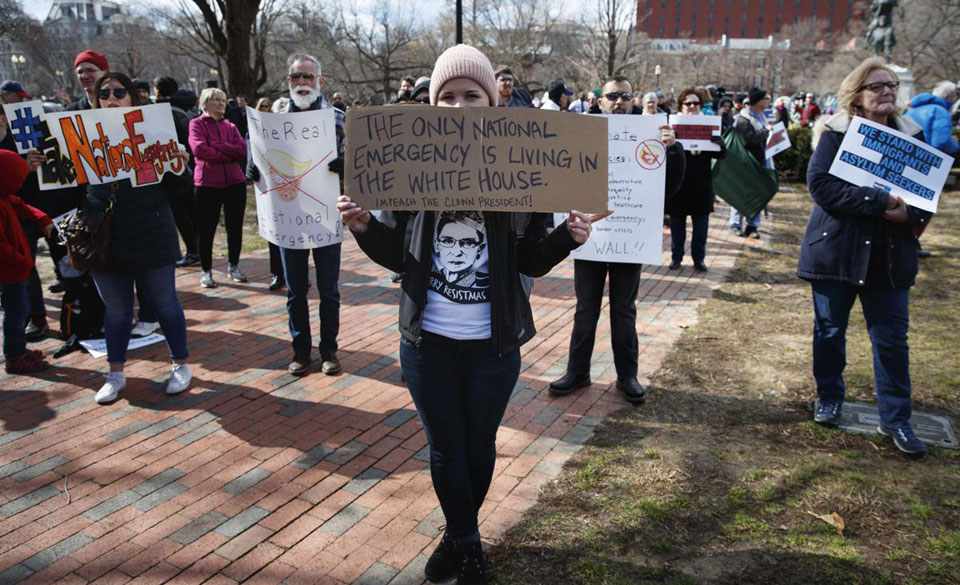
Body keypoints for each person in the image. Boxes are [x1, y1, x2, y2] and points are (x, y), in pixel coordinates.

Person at [339, 44, 603, 585]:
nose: (460, 107)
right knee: (445, 446)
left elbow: (530, 258)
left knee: (478, 446)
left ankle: (456, 534)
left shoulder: (521, 169)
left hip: (494, 343)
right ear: (434, 105)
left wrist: (567, 238)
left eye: (472, 95)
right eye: (448, 97)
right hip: (426, 342)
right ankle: (468, 542)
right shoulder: (410, 165)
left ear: (493, 100)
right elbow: (400, 256)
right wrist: (365, 228)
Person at [801, 57, 930, 456]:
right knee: (829, 332)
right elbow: (822, 186)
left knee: (891, 342)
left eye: (891, 84)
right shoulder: (836, 134)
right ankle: (829, 397)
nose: (887, 90)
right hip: (837, 252)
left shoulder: (913, 137)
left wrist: (909, 213)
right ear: (856, 95)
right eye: (877, 86)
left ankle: (897, 419)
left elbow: (927, 195)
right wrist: (878, 201)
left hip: (890, 258)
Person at [549, 75, 685, 404]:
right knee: (586, 309)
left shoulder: (651, 135)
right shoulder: (582, 133)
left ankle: (627, 377)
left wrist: (674, 149)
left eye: (625, 95)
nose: (619, 101)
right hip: (591, 237)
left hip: (629, 236)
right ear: (600, 101)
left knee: (624, 310)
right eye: (613, 96)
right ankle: (577, 372)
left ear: (634, 99)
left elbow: (670, 188)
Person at [85, 72, 191, 403]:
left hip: (151, 231)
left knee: (165, 304)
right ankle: (115, 375)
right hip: (106, 238)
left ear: (133, 97)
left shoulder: (153, 132)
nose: (111, 99)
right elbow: (68, 190)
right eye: (104, 94)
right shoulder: (82, 136)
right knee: (116, 311)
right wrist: (42, 168)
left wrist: (181, 166)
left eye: (119, 92)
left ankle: (181, 366)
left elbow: (179, 190)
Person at [248, 53, 345, 377]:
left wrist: (346, 166)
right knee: (295, 291)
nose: (302, 83)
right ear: (288, 81)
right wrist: (252, 168)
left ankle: (329, 350)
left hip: (326, 218)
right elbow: (262, 160)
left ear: (320, 81)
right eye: (296, 77)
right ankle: (301, 351)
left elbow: (359, 163)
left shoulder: (338, 120)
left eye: (308, 77)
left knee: (329, 290)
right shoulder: (271, 122)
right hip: (289, 218)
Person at [188, 87, 248, 288]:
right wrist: (226, 152)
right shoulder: (196, 124)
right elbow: (199, 150)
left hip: (235, 183)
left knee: (235, 227)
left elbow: (241, 150)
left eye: (223, 100)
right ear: (205, 103)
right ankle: (206, 271)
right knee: (206, 230)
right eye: (216, 100)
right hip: (207, 185)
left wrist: (216, 147)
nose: (221, 104)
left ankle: (234, 265)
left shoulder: (230, 127)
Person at [1, 150, 52, 373]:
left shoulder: (5, 196)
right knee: (15, 313)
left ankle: (18, 349)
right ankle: (14, 357)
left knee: (19, 310)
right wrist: (23, 261)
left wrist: (42, 218)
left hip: (17, 269)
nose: (20, 185)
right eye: (17, 180)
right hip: (10, 270)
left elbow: (20, 204)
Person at [667, 88, 726, 271]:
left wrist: (720, 145)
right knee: (677, 226)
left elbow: (722, 155)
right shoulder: (672, 126)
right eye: (688, 103)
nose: (692, 106)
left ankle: (698, 259)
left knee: (701, 227)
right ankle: (676, 258)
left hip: (701, 184)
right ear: (681, 106)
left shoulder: (708, 124)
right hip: (679, 184)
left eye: (696, 103)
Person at [905, 81, 958, 259]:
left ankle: (905, 241)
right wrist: (956, 144)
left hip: (906, 161)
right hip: (927, 165)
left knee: (907, 203)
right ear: (950, 96)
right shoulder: (940, 111)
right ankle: (910, 243)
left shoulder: (912, 109)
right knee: (925, 207)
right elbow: (941, 141)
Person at [155, 76, 201, 271]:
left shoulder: (164, 114)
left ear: (158, 91)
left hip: (174, 171)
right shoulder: (186, 110)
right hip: (190, 169)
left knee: (181, 215)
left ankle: (193, 252)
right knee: (192, 212)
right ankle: (199, 249)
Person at [730, 87, 770, 238]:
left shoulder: (761, 117)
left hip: (759, 162)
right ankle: (736, 224)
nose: (768, 102)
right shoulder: (744, 119)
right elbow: (747, 140)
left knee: (756, 195)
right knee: (740, 195)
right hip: (745, 164)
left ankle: (752, 226)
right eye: (766, 99)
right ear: (758, 101)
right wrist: (766, 133)